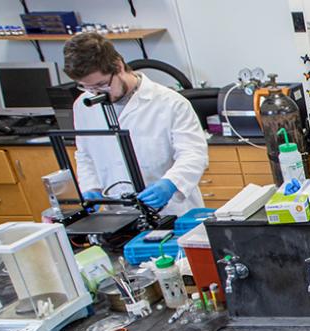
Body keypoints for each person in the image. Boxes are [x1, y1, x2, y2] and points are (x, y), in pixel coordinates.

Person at [64, 32, 207, 217]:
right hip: (117, 214)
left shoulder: (170, 103)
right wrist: (90, 187)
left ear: (118, 65)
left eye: (101, 85)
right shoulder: (83, 106)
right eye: (86, 87)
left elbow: (193, 154)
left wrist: (171, 183)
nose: (95, 93)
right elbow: (85, 155)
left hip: (171, 211)